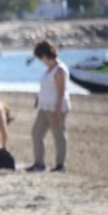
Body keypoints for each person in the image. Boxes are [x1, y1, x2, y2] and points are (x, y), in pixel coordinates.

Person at [28, 40, 70, 172]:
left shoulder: (59, 70)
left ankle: (60, 165)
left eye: (41, 58)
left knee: (58, 135)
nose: (42, 61)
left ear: (45, 56)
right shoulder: (49, 70)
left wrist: (58, 112)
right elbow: (47, 87)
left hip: (56, 108)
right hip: (44, 107)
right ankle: (39, 163)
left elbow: (61, 92)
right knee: (36, 133)